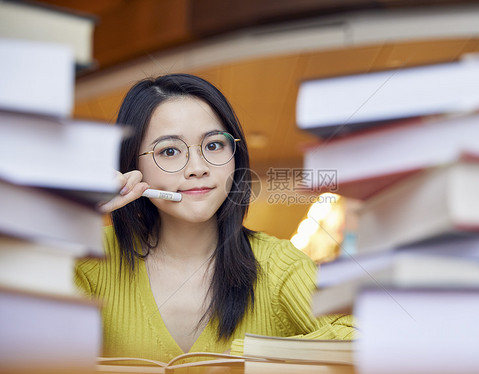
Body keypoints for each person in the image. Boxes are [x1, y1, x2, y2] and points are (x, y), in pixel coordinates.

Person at [74, 74, 355, 363]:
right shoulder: (90, 257)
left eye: (213, 145)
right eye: (169, 151)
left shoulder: (278, 265)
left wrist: (250, 358)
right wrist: (71, 216)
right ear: (132, 164)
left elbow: (363, 337)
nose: (198, 168)